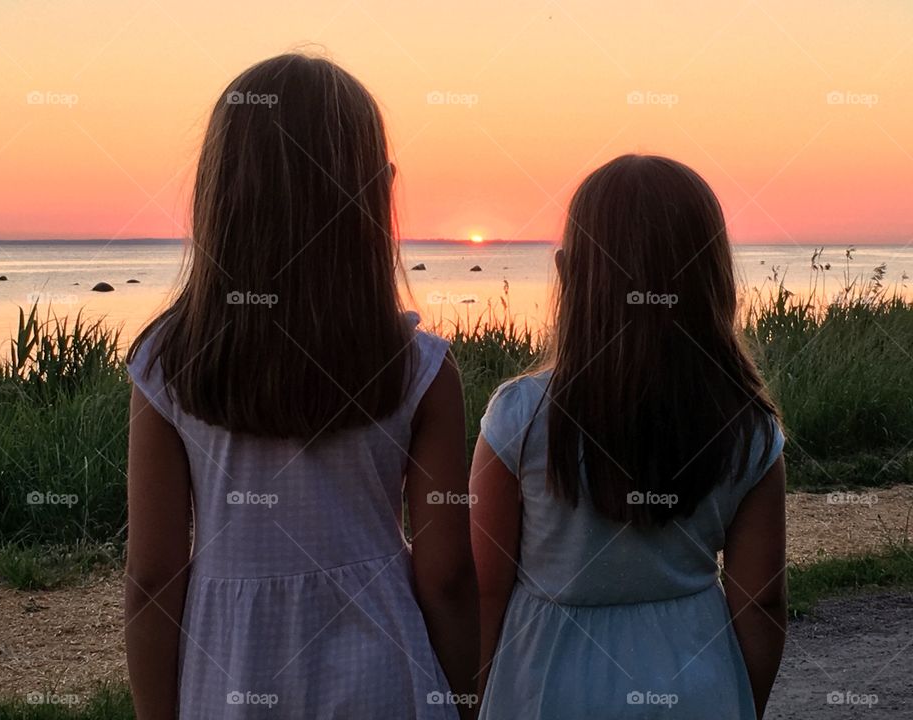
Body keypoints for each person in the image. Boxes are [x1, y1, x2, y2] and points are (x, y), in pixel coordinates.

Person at [124, 53, 478, 720]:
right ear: (377, 193)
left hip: (231, 671)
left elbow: (152, 578)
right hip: (385, 673)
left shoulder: (167, 363)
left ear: (219, 193)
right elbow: (448, 576)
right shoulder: (419, 368)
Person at [472, 154, 786, 719]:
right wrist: (740, 702)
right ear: (714, 277)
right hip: (695, 677)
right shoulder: (748, 426)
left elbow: (485, 590)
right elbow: (760, 601)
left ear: (568, 274)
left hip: (547, 682)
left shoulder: (519, 417)